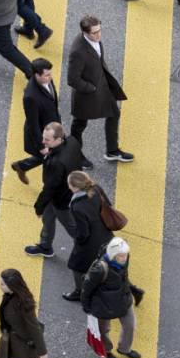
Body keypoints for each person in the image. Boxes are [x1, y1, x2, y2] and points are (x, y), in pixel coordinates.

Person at [66, 15, 132, 168]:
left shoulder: (95, 40)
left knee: (114, 113)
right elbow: (72, 79)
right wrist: (91, 88)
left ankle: (112, 150)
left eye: (99, 31)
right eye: (94, 33)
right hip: (87, 94)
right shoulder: (78, 51)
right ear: (84, 32)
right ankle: (76, 155)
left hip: (102, 87)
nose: (98, 35)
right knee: (79, 124)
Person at [80, 237, 144, 358]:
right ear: (113, 255)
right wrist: (86, 307)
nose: (124, 258)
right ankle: (107, 350)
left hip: (123, 298)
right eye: (121, 256)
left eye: (125, 255)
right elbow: (86, 288)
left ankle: (124, 349)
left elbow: (124, 277)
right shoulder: (99, 269)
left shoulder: (124, 259)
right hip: (103, 304)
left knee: (130, 326)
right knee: (103, 330)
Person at [25, 122, 80, 257]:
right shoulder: (72, 142)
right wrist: (49, 152)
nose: (43, 142)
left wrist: (38, 207)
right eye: (44, 138)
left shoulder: (56, 163)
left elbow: (49, 188)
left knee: (72, 227)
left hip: (61, 200)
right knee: (48, 219)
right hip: (65, 193)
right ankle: (45, 246)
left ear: (59, 139)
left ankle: (90, 248)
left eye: (47, 140)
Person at [63, 171, 115, 302]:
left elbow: (83, 232)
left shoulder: (77, 206)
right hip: (105, 233)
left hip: (90, 241)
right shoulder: (96, 188)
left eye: (69, 184)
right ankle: (131, 289)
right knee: (106, 263)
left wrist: (78, 240)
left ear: (75, 187)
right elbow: (108, 205)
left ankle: (80, 292)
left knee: (76, 266)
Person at [11, 57, 60, 185]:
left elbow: (52, 101)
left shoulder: (46, 79)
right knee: (48, 158)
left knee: (49, 156)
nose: (50, 77)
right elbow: (33, 124)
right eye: (46, 75)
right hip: (42, 135)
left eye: (50, 74)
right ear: (36, 75)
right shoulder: (30, 97)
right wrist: (42, 145)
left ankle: (21, 166)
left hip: (52, 127)